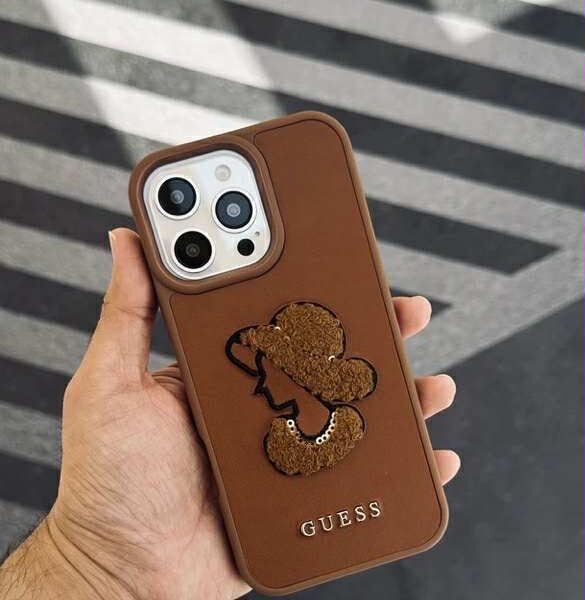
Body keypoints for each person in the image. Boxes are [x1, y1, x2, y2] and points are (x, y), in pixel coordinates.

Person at [0, 229, 460, 599]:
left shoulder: (337, 432)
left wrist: (87, 571)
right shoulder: (282, 440)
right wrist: (90, 566)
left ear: (299, 372)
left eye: (266, 371)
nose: (258, 385)